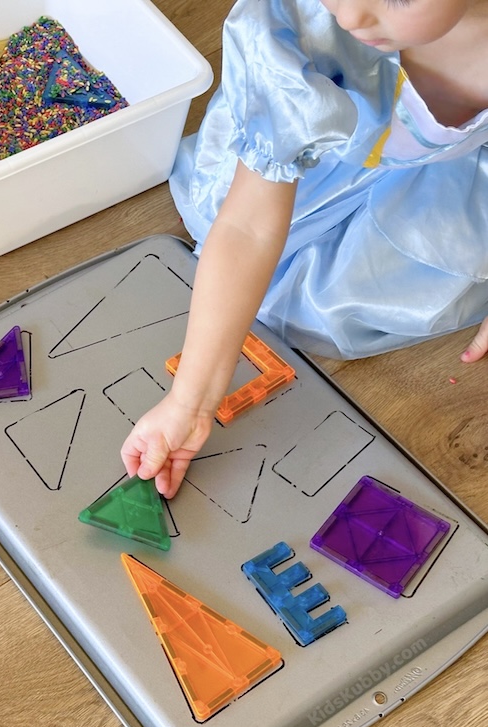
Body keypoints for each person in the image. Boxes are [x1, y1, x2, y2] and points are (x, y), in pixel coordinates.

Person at [121, 0, 488, 499]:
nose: (352, 16)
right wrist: (189, 404)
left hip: (442, 184)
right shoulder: (297, 25)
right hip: (294, 159)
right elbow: (248, 226)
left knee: (349, 303)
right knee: (249, 264)